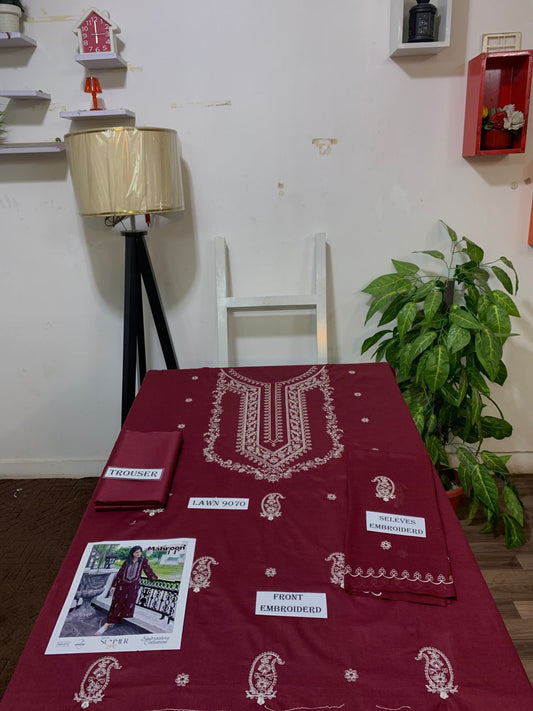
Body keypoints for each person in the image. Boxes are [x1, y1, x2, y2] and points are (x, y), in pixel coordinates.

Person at [95, 545, 158, 635]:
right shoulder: (127, 562)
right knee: (118, 602)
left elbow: (148, 570)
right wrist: (114, 585)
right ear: (132, 553)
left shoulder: (143, 561)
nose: (139, 554)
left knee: (126, 603)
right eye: (136, 552)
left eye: (140, 552)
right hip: (122, 585)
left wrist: (154, 578)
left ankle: (114, 620)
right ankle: (109, 622)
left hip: (132, 587)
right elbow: (120, 573)